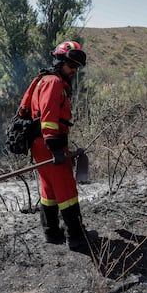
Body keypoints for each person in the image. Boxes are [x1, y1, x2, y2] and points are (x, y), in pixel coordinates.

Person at [29, 41, 90, 254]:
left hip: (41, 143)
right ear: (60, 61)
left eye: (76, 67)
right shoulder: (53, 82)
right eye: (71, 66)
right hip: (50, 143)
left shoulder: (45, 80)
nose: (74, 71)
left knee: (49, 188)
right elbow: (48, 118)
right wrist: (55, 148)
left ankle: (52, 232)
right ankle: (76, 238)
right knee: (66, 190)